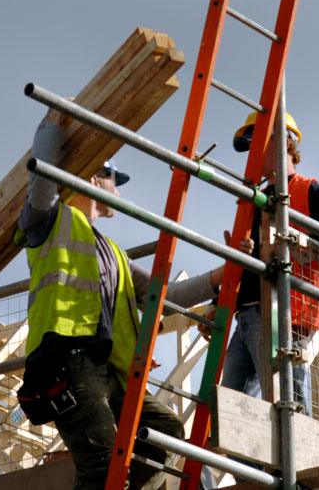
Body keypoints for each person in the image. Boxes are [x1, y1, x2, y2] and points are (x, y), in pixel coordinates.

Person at [15, 107, 224, 490]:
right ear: (95, 176)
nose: (120, 190)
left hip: (109, 368)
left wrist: (216, 279)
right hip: (69, 359)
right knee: (100, 464)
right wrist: (51, 125)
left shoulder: (114, 254)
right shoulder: (48, 221)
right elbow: (42, 181)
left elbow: (166, 294)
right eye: (116, 179)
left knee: (164, 432)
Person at [215, 111, 319, 415]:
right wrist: (220, 301)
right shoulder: (255, 200)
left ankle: (286, 460)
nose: (252, 156)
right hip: (247, 316)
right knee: (231, 413)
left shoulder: (304, 190)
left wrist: (312, 242)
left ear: (283, 143)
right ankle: (251, 464)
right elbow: (247, 262)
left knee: (286, 404)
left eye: (258, 143)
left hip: (284, 314)